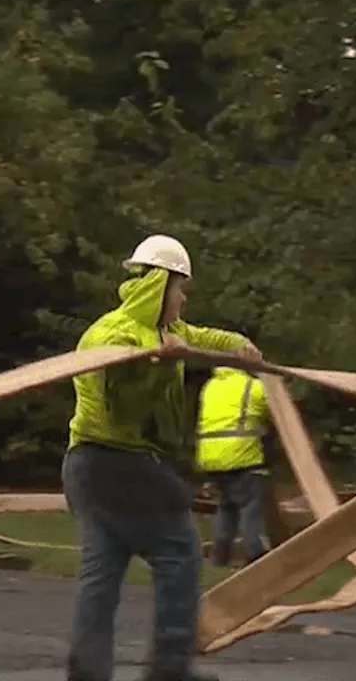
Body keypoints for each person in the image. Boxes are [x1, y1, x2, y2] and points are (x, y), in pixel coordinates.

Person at [62, 234, 261, 681]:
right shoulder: (114, 336)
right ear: (159, 284)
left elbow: (202, 337)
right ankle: (170, 669)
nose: (185, 298)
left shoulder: (165, 332)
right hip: (118, 463)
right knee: (181, 554)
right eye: (180, 287)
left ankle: (86, 673)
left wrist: (238, 344)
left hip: (86, 467)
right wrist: (160, 366)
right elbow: (124, 409)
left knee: (102, 572)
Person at [195, 366, 274, 567]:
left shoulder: (210, 385)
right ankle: (256, 556)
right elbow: (274, 412)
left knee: (226, 507)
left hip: (212, 457)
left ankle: (220, 557)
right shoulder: (254, 386)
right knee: (250, 508)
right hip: (242, 455)